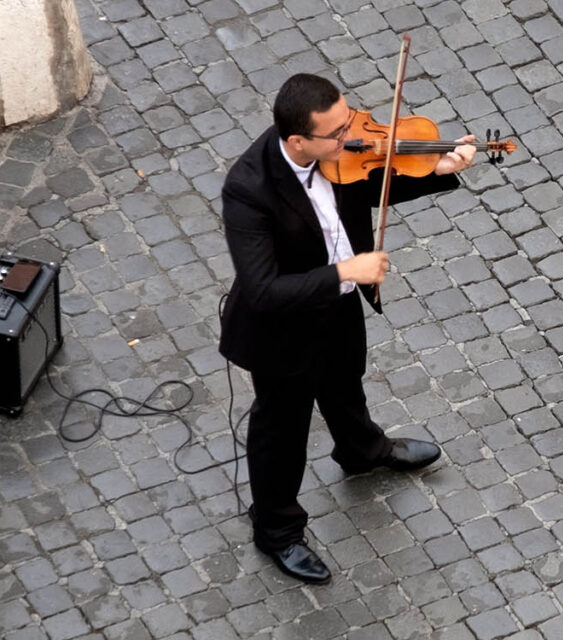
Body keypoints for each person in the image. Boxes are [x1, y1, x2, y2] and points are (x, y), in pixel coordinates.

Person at [216, 73, 478, 584]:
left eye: (349, 122)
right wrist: (345, 271)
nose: (351, 138)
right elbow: (264, 289)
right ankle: (276, 530)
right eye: (336, 134)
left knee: (344, 382)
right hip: (282, 329)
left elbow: (370, 175)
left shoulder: (340, 152)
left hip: (336, 308)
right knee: (282, 430)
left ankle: (361, 451)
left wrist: (436, 166)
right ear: (298, 141)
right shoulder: (248, 189)